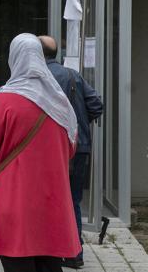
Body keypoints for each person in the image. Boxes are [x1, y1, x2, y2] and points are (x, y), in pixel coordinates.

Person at [0, 33, 81, 272]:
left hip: (13, 202)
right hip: (53, 201)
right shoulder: (59, 102)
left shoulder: (4, 101)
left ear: (14, 58)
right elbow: (71, 147)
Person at [39, 35, 103, 269]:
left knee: (50, 200)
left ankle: (50, 251)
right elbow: (96, 105)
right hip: (80, 146)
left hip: (53, 150)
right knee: (73, 200)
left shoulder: (40, 77)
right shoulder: (72, 75)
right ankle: (75, 254)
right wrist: (81, 125)